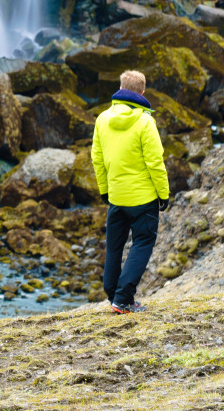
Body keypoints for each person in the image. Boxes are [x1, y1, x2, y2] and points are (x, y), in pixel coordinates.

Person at [91, 70, 170, 314]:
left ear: (121, 88)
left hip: (116, 197)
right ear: (142, 93)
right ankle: (123, 298)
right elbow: (155, 161)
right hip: (143, 198)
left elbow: (97, 158)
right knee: (143, 242)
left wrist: (105, 190)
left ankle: (112, 293)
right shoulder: (145, 121)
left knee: (114, 247)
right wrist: (163, 193)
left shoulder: (102, 119)